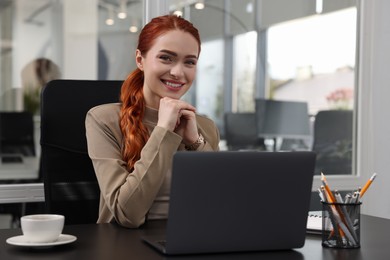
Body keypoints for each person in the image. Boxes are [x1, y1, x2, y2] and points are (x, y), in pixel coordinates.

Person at [85, 15, 220, 228]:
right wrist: (164, 130)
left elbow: (220, 204)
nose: (178, 72)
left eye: (189, 62)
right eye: (166, 58)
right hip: (127, 246)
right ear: (140, 60)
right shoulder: (104, 120)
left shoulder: (205, 127)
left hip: (192, 241)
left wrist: (196, 143)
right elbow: (127, 215)